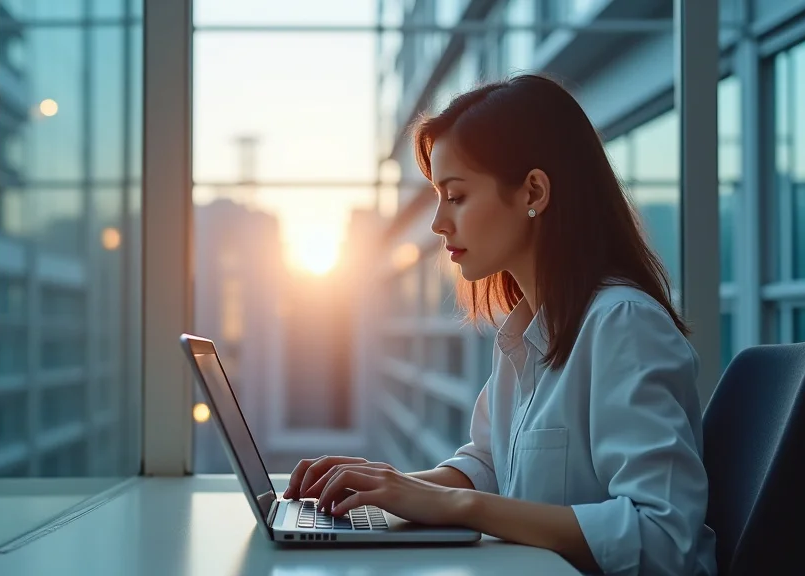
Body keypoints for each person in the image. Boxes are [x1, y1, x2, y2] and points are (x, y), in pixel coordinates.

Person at [282, 74, 717, 576]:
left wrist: (458, 508)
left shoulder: (623, 324)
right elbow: (489, 465)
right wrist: (388, 488)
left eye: (457, 196)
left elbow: (661, 540)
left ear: (533, 190)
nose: (438, 222)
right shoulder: (525, 331)